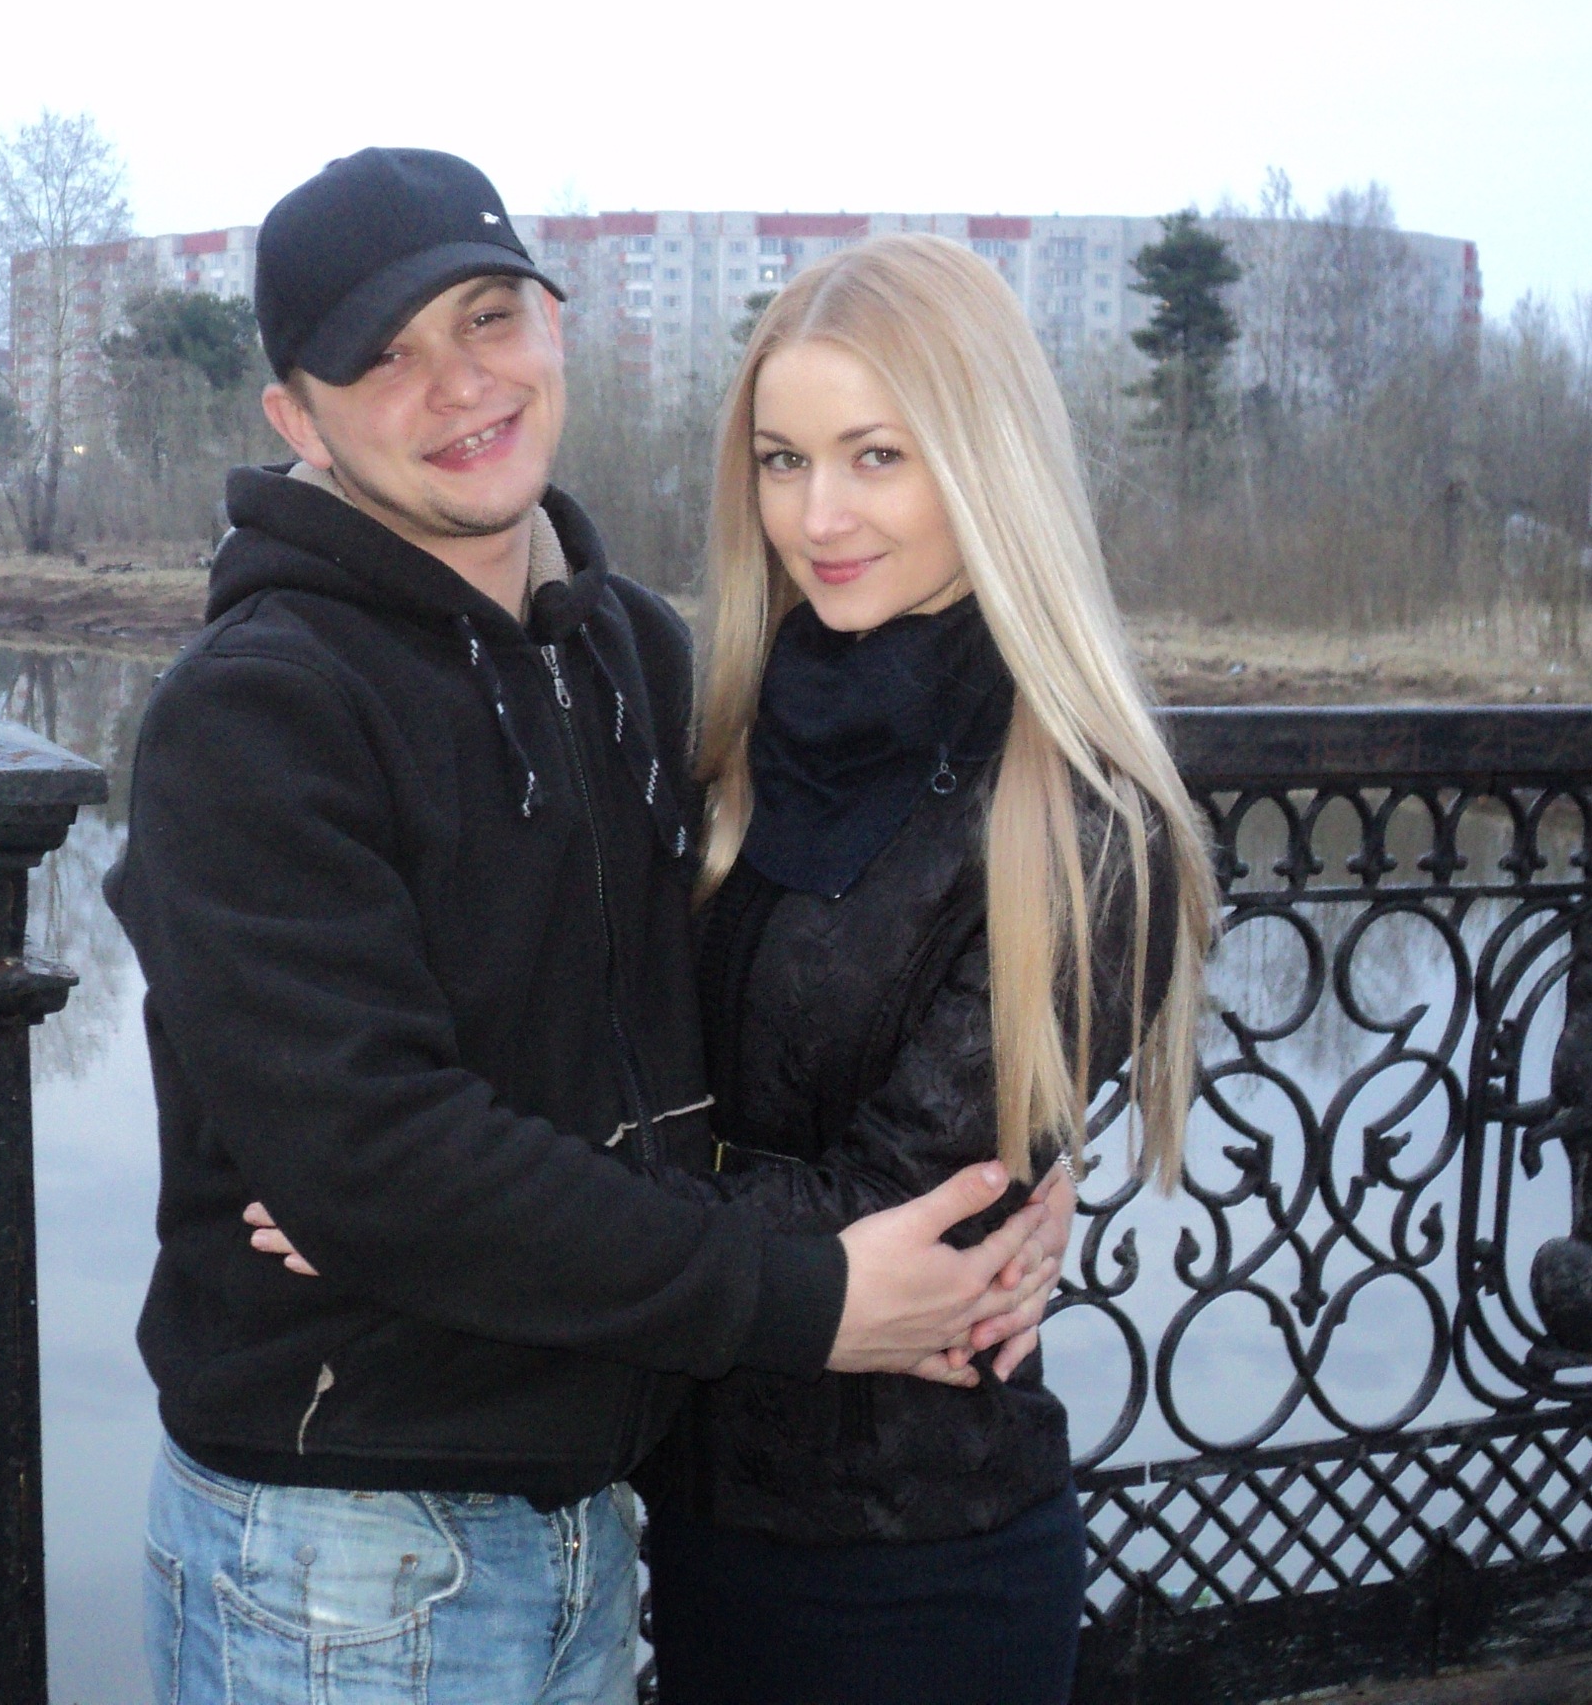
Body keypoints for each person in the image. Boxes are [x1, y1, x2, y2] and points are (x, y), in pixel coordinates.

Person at [105, 150, 1073, 1705]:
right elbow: (381, 1152)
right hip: (345, 1550)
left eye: (488, 319)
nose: (459, 384)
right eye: (384, 357)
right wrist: (803, 1294)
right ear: (297, 418)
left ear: (556, 329)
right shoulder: (261, 708)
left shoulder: (630, 654)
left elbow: (699, 1042)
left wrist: (1022, 1161)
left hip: (603, 1526)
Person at [632, 233, 1216, 1705]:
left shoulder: (1080, 819)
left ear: (987, 461)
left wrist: (488, 1214)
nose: (816, 514)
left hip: (915, 1568)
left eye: (877, 456)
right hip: (683, 1523)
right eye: (782, 460)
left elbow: (890, 1225)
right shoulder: (728, 740)